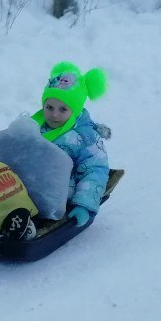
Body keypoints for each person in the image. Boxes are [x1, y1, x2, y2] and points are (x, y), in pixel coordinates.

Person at [26, 61, 110, 227]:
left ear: (75, 109)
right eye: (49, 107)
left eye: (63, 109)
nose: (54, 114)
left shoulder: (86, 138)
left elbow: (95, 170)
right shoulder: (34, 124)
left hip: (60, 196)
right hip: (26, 185)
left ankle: (27, 224)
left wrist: (83, 205)